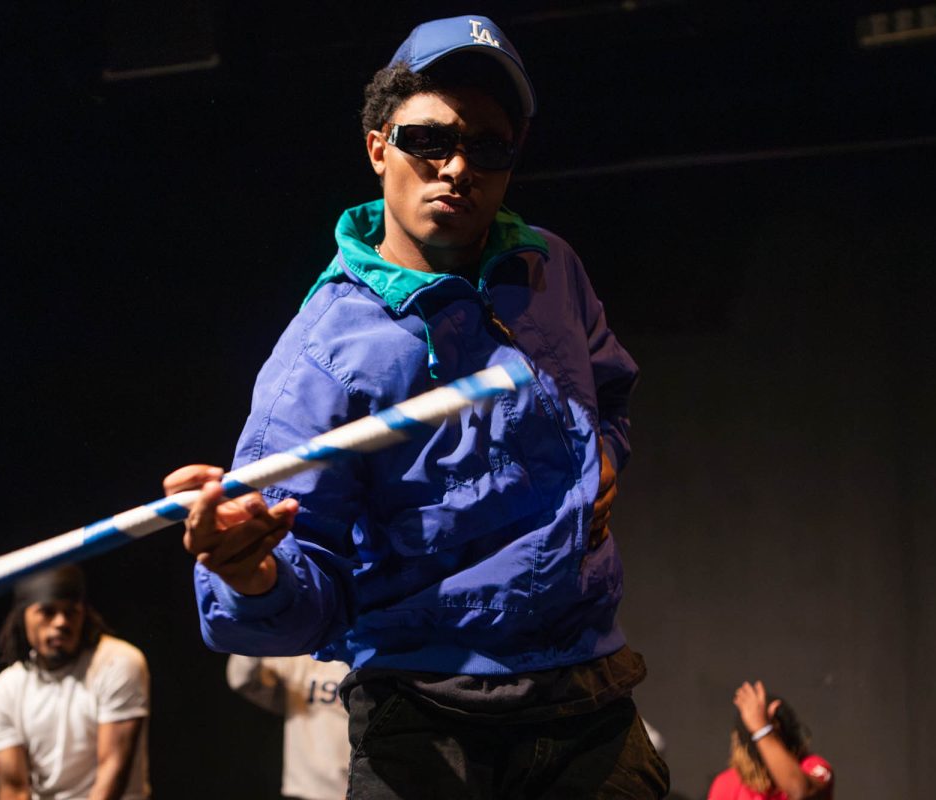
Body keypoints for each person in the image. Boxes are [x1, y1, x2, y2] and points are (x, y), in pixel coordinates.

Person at [163, 13, 667, 799]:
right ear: (376, 148)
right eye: (428, 140)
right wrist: (251, 570)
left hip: (588, 696)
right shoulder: (323, 353)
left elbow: (610, 394)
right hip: (428, 721)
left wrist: (605, 452)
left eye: (488, 146)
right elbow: (296, 596)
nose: (457, 166)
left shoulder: (550, 271)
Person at [0, 565, 150, 800]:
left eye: (71, 612)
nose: (61, 622)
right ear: (23, 616)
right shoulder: (1, 692)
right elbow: (14, 790)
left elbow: (112, 768)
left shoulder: (117, 662)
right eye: (48, 611)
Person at [226, 654, 351, 800]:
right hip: (308, 790)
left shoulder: (376, 652)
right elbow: (241, 679)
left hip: (367, 786)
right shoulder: (300, 653)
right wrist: (256, 637)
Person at [707, 680, 833, 800]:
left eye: (775, 733)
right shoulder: (727, 783)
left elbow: (801, 793)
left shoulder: (813, 766)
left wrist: (762, 729)